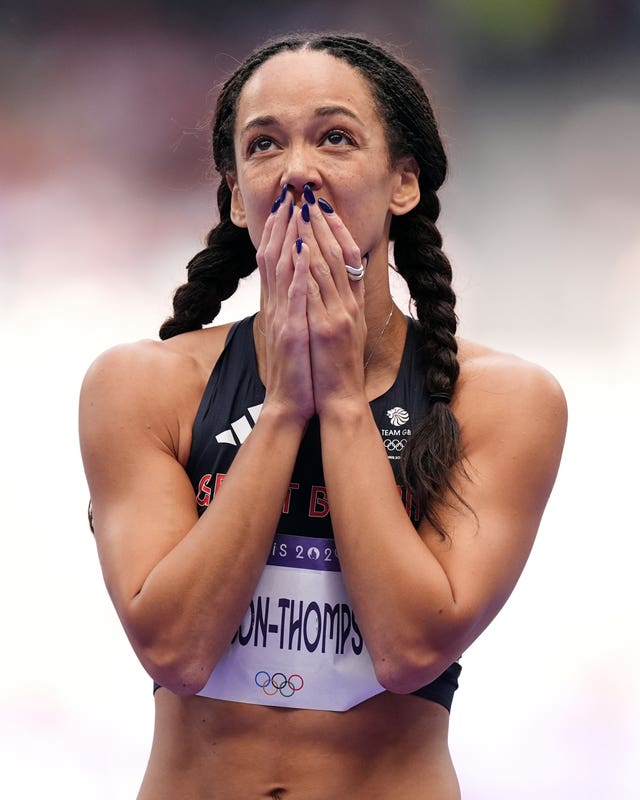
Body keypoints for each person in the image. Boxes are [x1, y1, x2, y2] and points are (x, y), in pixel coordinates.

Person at [79, 32, 567, 800]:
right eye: (265, 144)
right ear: (239, 195)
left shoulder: (503, 400)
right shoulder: (145, 384)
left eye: (335, 138)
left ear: (402, 181)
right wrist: (283, 408)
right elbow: (175, 651)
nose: (299, 169)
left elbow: (410, 652)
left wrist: (341, 401)